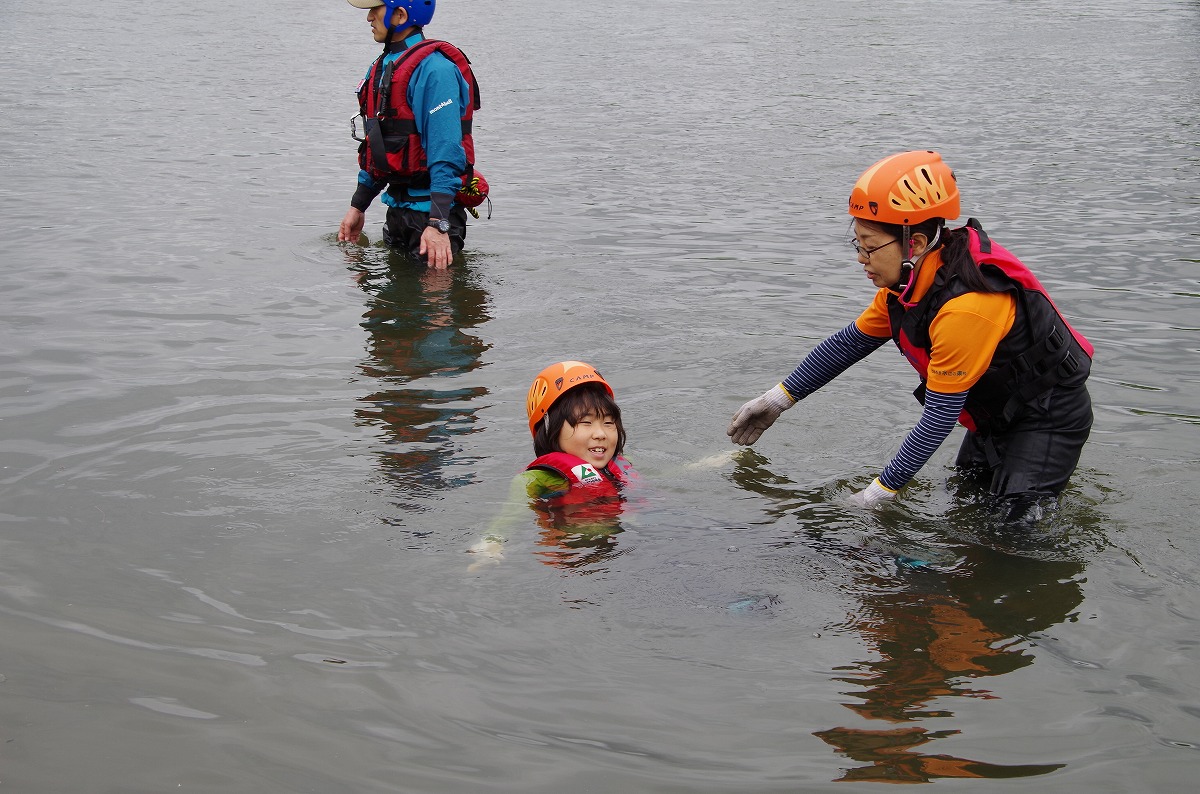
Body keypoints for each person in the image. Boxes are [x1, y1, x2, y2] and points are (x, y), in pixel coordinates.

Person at [728, 150, 1093, 520]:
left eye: (870, 247)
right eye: (857, 244)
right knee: (964, 504)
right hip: (993, 415)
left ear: (915, 244)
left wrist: (878, 493)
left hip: (1045, 415)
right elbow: (851, 342)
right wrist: (777, 400)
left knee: (1012, 528)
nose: (861, 258)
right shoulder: (909, 283)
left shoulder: (965, 307)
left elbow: (938, 417)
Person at [337, 0, 484, 268]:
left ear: (401, 14)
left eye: (375, 9)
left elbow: (446, 150)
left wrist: (438, 224)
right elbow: (381, 143)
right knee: (385, 309)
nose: (369, 17)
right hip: (398, 212)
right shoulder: (382, 66)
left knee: (436, 305)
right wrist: (358, 205)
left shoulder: (436, 71)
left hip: (432, 218)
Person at [469, 361, 639, 567]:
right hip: (574, 551)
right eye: (585, 423)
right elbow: (511, 512)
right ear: (550, 429)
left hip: (624, 545)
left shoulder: (619, 465)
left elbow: (655, 481)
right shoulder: (538, 478)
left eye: (609, 423)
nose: (601, 434)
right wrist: (492, 541)